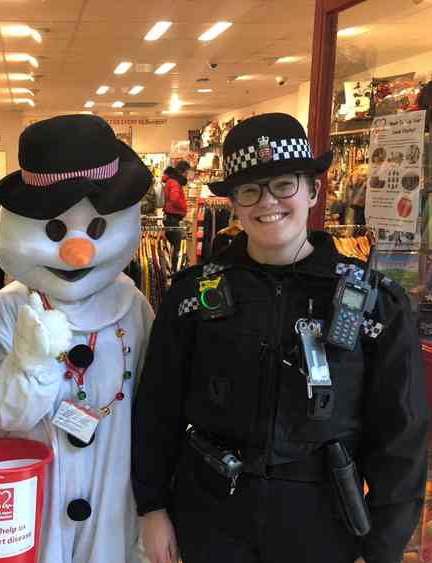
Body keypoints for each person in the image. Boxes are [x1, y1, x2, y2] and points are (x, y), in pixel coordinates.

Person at [133, 113, 429, 563]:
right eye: (249, 189)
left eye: (284, 184)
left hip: (322, 521)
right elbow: (158, 407)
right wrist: (152, 507)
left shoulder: (373, 304)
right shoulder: (193, 294)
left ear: (312, 190)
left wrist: (384, 545)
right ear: (233, 202)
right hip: (211, 515)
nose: (266, 201)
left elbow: (400, 435)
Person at [0, 114, 155, 562]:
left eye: (94, 230)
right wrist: (29, 366)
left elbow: (155, 408)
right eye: (56, 231)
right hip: (37, 482)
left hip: (116, 485)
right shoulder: (12, 307)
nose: (79, 252)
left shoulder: (134, 308)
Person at [162, 161, 189, 270]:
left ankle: (172, 269)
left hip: (171, 217)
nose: (187, 175)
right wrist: (183, 206)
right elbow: (174, 198)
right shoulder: (174, 182)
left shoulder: (172, 180)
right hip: (172, 218)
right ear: (183, 172)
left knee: (174, 245)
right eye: (187, 172)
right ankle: (175, 270)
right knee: (177, 247)